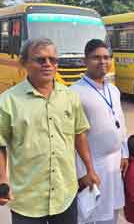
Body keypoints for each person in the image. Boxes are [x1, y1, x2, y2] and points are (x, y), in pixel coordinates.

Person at [0, 38, 100, 224]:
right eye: (40, 60)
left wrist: (90, 169)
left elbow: (80, 135)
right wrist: (2, 179)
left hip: (65, 194)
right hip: (28, 199)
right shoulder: (8, 101)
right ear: (24, 63)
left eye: (53, 60)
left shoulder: (70, 97)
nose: (48, 64)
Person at [71, 39, 128, 224]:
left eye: (106, 57)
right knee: (92, 215)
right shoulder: (75, 92)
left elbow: (121, 122)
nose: (102, 61)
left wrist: (124, 153)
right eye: (96, 58)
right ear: (85, 61)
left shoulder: (113, 90)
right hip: (93, 166)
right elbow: (73, 137)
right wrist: (82, 172)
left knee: (112, 213)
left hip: (114, 164)